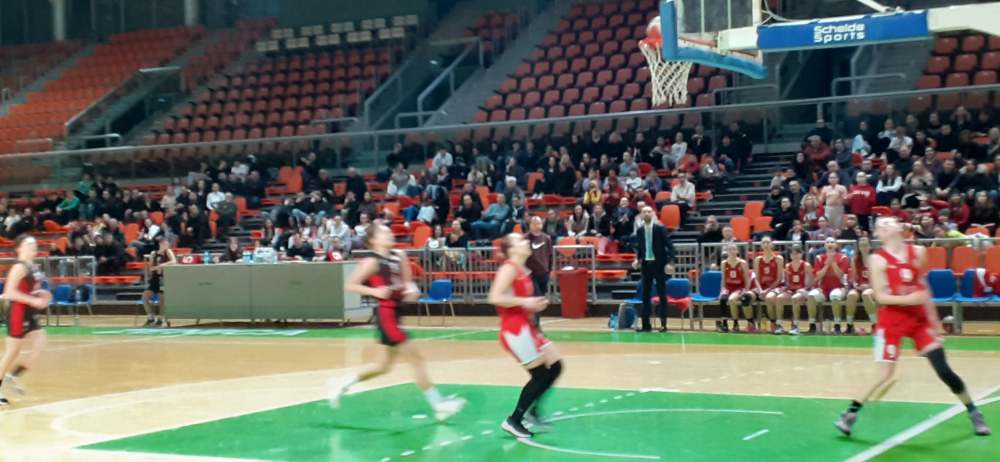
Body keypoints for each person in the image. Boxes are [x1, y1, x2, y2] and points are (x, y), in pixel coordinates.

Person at [834, 216, 991, 437]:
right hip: (892, 319)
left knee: (944, 370)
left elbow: (922, 287)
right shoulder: (878, 260)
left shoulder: (918, 252)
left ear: (900, 227)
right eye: (879, 225)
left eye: (888, 222)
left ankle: (973, 411)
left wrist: (935, 322)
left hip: (919, 320)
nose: (883, 225)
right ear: (877, 234)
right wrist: (908, 299)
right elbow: (880, 296)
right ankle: (849, 415)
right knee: (883, 374)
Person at [328, 224, 466, 420]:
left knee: (382, 366)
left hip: (397, 312)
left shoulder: (399, 256)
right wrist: (374, 291)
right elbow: (350, 285)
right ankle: (438, 404)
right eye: (384, 232)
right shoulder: (371, 262)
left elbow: (408, 283)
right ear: (374, 240)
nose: (390, 233)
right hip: (386, 315)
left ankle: (342, 383)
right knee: (416, 359)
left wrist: (412, 290)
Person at [489, 233, 563, 438]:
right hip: (515, 330)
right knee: (540, 375)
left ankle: (533, 411)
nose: (526, 242)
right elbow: (495, 297)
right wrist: (525, 302)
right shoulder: (508, 269)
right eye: (520, 240)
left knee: (555, 366)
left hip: (527, 326)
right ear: (512, 249)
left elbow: (517, 300)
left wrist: (532, 305)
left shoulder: (521, 269)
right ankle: (514, 420)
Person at [0, 235, 53, 407]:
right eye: (28, 243)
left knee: (40, 347)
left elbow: (29, 290)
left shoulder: (33, 267)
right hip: (18, 312)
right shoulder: (18, 267)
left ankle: (13, 376)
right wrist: (32, 300)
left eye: (34, 243)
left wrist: (41, 294)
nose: (33, 246)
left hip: (29, 312)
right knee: (12, 353)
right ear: (19, 248)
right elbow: (9, 292)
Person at [631, 206, 675, 332]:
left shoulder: (660, 229)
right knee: (645, 295)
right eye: (644, 212)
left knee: (662, 294)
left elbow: (670, 246)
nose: (647, 213)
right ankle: (646, 325)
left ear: (653, 214)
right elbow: (640, 248)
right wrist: (637, 259)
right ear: (641, 215)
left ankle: (663, 324)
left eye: (649, 211)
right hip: (646, 265)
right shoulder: (640, 230)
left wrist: (670, 262)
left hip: (659, 265)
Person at [808, 238, 850, 335]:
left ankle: (837, 325)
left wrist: (833, 263)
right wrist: (827, 265)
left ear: (836, 245)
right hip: (823, 289)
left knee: (834, 296)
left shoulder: (843, 258)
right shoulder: (819, 257)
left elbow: (840, 275)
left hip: (838, 287)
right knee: (811, 296)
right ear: (825, 246)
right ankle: (812, 325)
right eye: (827, 242)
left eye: (832, 242)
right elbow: (818, 276)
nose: (830, 244)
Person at [718, 243, 753, 333]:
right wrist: (722, 290)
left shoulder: (742, 263)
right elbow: (723, 278)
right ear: (727, 251)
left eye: (734, 249)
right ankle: (724, 324)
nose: (732, 251)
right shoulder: (724, 263)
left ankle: (735, 323)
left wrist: (746, 290)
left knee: (732, 299)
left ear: (737, 251)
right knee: (722, 299)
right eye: (730, 249)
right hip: (728, 287)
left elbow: (747, 278)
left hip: (739, 287)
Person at [753, 236, 785, 334]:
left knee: (769, 297)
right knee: (746, 297)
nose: (766, 244)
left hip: (776, 286)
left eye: (768, 242)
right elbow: (756, 278)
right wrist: (760, 290)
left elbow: (779, 279)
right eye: (763, 242)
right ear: (761, 245)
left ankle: (775, 323)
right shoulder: (758, 259)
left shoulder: (778, 258)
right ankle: (751, 324)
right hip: (762, 287)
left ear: (772, 244)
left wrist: (766, 291)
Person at [525, 216, 553, 328]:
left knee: (540, 298)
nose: (537, 225)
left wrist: (549, 270)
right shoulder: (525, 239)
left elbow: (550, 255)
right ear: (530, 225)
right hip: (531, 274)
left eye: (539, 223)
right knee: (536, 297)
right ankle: (535, 325)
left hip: (544, 273)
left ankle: (535, 322)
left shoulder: (546, 238)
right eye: (534, 223)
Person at [845, 237, 876, 335]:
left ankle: (875, 324)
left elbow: (879, 278)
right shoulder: (855, 260)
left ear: (870, 246)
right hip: (860, 286)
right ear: (858, 247)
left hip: (873, 287)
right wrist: (856, 285)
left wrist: (869, 286)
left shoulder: (875, 259)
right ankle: (849, 325)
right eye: (861, 245)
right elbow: (853, 277)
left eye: (866, 245)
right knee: (851, 295)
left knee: (866, 295)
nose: (864, 247)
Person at [778, 246, 812, 336]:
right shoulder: (787, 266)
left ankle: (796, 326)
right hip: (792, 290)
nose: (795, 255)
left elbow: (810, 284)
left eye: (797, 253)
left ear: (801, 254)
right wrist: (785, 288)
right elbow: (787, 282)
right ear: (790, 255)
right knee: (779, 298)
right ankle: (780, 325)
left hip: (804, 290)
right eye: (793, 254)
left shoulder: (806, 265)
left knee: (795, 298)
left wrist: (803, 289)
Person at [142, 238, 176, 327]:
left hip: (164, 279)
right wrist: (156, 268)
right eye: (165, 244)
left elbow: (174, 261)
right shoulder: (153, 253)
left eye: (167, 244)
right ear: (160, 244)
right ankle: (151, 318)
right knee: (145, 296)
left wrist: (161, 265)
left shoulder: (168, 252)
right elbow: (151, 268)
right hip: (155, 279)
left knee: (162, 299)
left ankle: (161, 319)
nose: (166, 246)